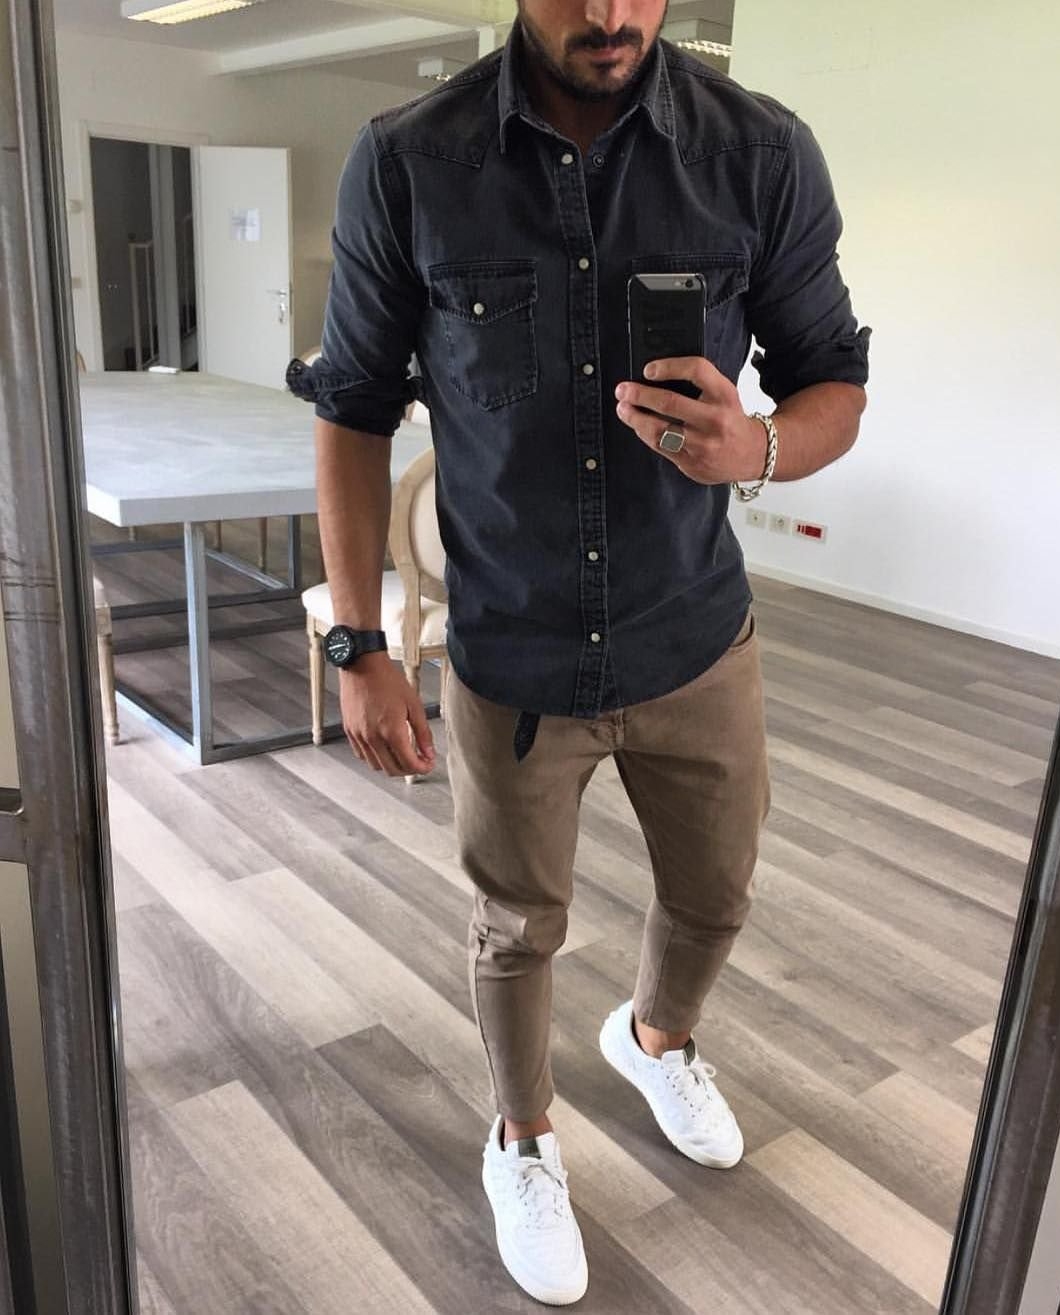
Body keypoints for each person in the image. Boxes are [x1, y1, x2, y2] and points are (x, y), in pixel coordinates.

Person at [287, 0, 870, 1302]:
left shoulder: (760, 152)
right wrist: (360, 640)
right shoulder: (409, 161)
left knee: (716, 895)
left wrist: (761, 445)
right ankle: (523, 1138)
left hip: (696, 637)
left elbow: (835, 376)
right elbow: (353, 408)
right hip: (511, 650)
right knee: (516, 927)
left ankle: (656, 1041)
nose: (610, 12)